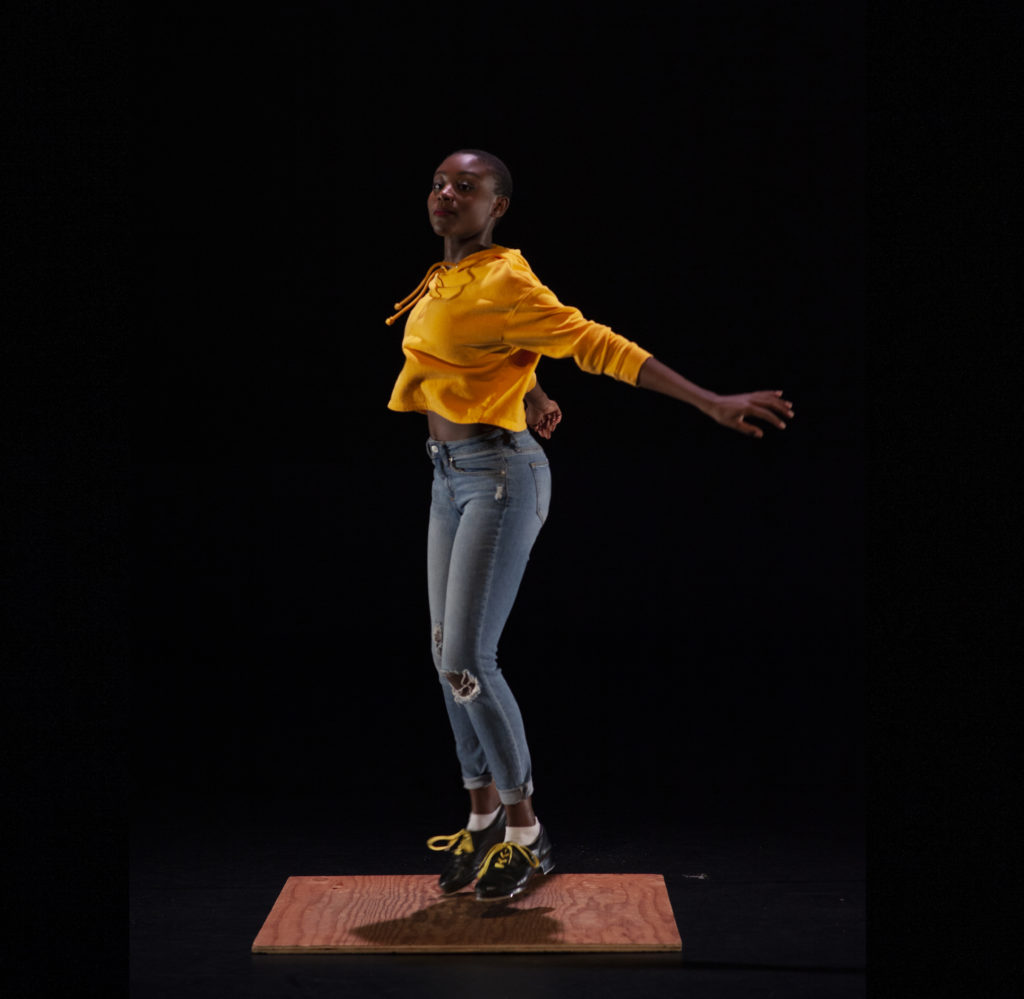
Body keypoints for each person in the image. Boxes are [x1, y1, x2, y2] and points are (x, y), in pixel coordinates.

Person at [385, 149, 794, 902]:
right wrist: (532, 388)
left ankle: (525, 833)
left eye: (465, 187)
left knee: (473, 654)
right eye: (440, 184)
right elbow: (480, 351)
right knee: (447, 655)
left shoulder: (506, 276)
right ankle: (479, 820)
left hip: (500, 479)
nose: (446, 194)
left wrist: (707, 400)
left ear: (497, 205)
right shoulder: (453, 276)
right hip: (448, 476)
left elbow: (596, 342)